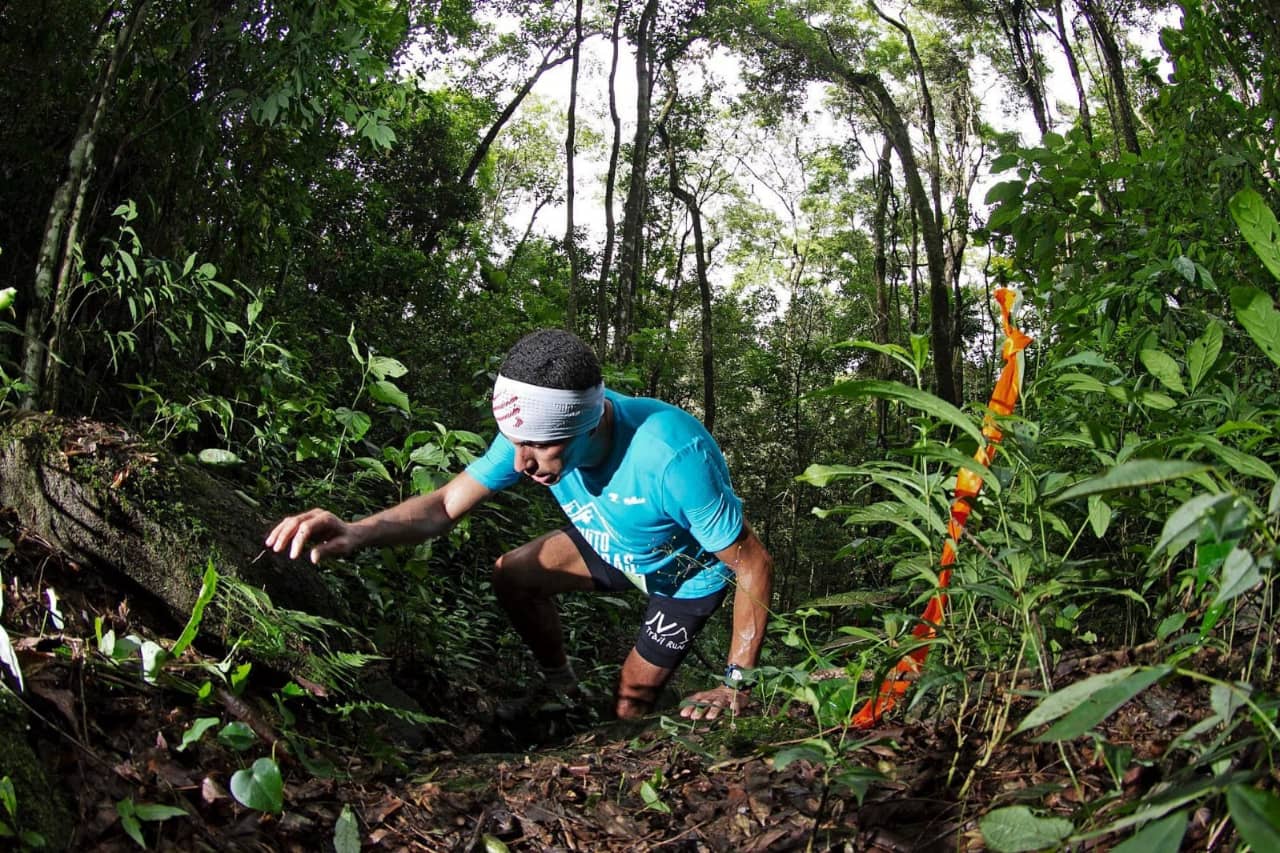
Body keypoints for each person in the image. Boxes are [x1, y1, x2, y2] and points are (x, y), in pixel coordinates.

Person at [265, 329, 772, 721]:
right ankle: (561, 689)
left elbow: (753, 563)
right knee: (512, 574)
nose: (521, 462)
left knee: (628, 704)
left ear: (590, 424)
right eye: (515, 445)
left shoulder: (671, 455)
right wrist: (356, 531)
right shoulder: (532, 428)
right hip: (611, 541)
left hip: (681, 572)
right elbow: (444, 505)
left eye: (540, 449)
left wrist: (736, 684)